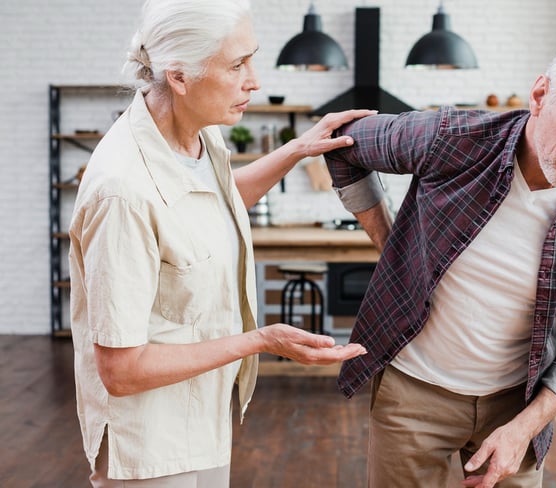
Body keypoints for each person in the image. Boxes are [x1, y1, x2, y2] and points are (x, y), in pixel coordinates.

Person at [324, 37, 556, 488]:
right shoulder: (452, 138)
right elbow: (343, 144)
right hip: (413, 393)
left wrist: (524, 429)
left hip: (517, 404)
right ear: (541, 95)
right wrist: (390, 242)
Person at [68, 0, 373, 486]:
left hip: (203, 418)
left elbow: (217, 199)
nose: (254, 80)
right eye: (237, 65)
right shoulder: (121, 192)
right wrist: (261, 340)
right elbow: (121, 371)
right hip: (148, 443)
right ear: (180, 77)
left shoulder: (197, 138)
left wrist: (295, 150)